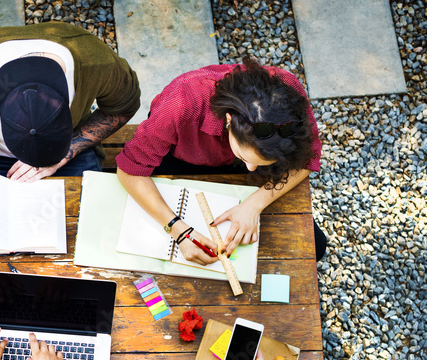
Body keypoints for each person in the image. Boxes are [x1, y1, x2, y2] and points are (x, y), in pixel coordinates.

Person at [0, 22, 141, 228]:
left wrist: (65, 154)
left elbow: (124, 105)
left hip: (69, 149)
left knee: (96, 227)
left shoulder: (94, 62)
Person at [116, 57, 327, 261]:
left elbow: (308, 157)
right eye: (245, 156)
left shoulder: (286, 92)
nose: (251, 169)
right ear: (229, 120)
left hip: (241, 168)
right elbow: (129, 171)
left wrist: (254, 204)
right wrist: (178, 230)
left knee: (314, 247)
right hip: (182, 158)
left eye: (259, 162)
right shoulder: (180, 104)